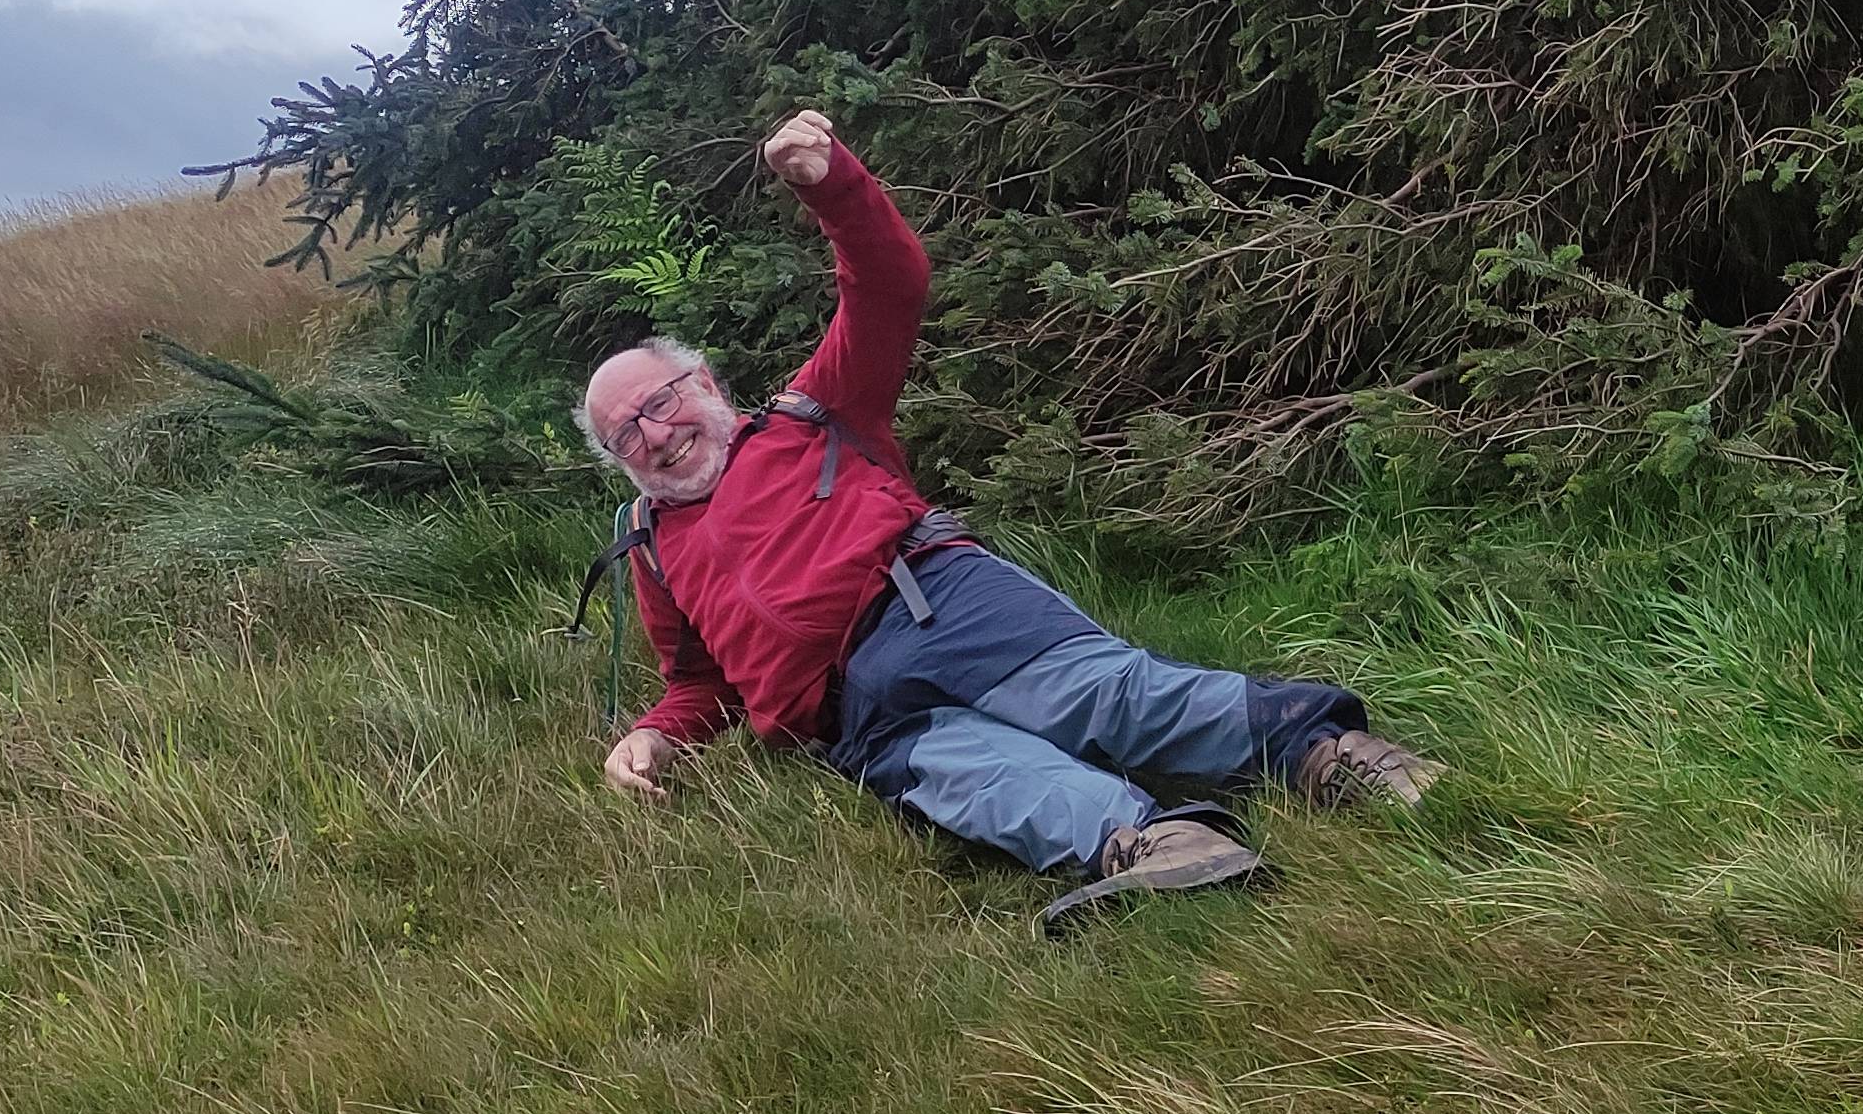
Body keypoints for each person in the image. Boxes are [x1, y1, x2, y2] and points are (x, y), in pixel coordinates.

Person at [582, 108, 1438, 925]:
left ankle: (1330, 754)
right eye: (626, 434)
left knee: (1106, 700)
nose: (655, 435)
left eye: (660, 402)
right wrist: (655, 736)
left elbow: (890, 285)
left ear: (706, 385)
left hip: (939, 605)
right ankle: (1161, 846)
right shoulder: (651, 548)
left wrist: (830, 184)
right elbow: (702, 684)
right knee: (992, 784)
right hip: (854, 721)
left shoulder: (812, 414)